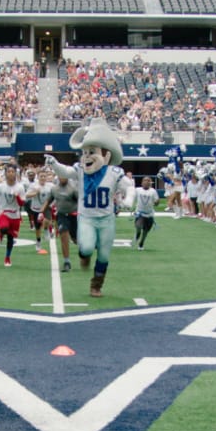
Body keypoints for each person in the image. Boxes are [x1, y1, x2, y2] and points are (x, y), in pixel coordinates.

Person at [46, 118, 128, 297]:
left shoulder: (114, 173)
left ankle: (96, 285)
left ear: (106, 155)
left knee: (104, 255)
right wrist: (54, 164)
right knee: (87, 248)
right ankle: (84, 255)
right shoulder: (81, 170)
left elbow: (126, 186)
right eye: (85, 152)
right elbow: (66, 172)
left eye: (92, 152)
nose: (87, 156)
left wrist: (127, 198)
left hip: (106, 218)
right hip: (87, 217)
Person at [0, 163, 24, 268]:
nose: (11, 174)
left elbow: (22, 203)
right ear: (5, 173)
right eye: (9, 172)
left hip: (15, 214)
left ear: (15, 173)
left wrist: (17, 196)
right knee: (4, 227)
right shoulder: (0, 186)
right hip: (3, 212)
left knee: (10, 238)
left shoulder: (20, 187)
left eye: (13, 172)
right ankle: (0, 233)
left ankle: (7, 257)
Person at [49, 170, 80, 273]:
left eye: (64, 176)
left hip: (73, 216)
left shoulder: (73, 189)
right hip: (62, 215)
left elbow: (80, 201)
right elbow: (49, 200)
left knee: (76, 240)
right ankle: (67, 262)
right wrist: (42, 211)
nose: (62, 178)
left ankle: (83, 247)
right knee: (64, 236)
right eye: (60, 176)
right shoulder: (54, 189)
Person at [133, 175, 158, 250]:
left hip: (149, 214)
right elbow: (132, 197)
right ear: (142, 182)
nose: (146, 182)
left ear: (150, 183)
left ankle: (141, 243)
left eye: (148, 181)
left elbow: (156, 200)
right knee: (138, 226)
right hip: (140, 213)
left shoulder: (153, 191)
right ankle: (137, 233)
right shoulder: (138, 190)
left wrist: (156, 202)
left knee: (146, 231)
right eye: (145, 180)